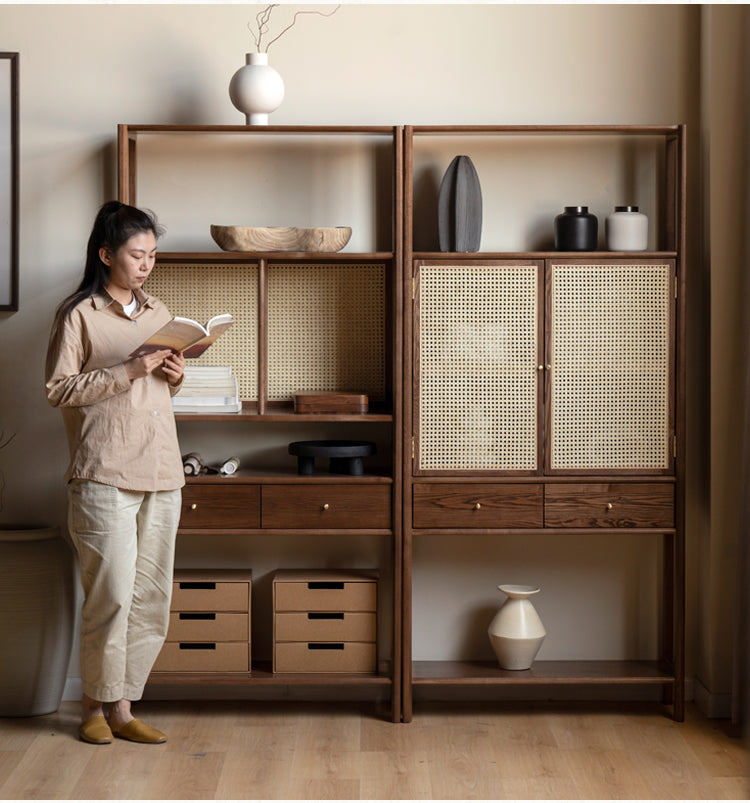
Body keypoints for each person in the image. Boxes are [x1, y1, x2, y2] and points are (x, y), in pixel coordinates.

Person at [46, 201, 186, 745]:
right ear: (107, 255)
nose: (147, 264)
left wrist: (173, 376)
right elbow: (57, 391)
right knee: (111, 596)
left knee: (150, 598)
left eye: (153, 254)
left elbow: (161, 392)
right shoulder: (78, 315)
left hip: (162, 469)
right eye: (136, 254)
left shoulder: (159, 314)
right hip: (103, 472)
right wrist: (127, 369)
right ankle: (92, 708)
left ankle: (124, 710)